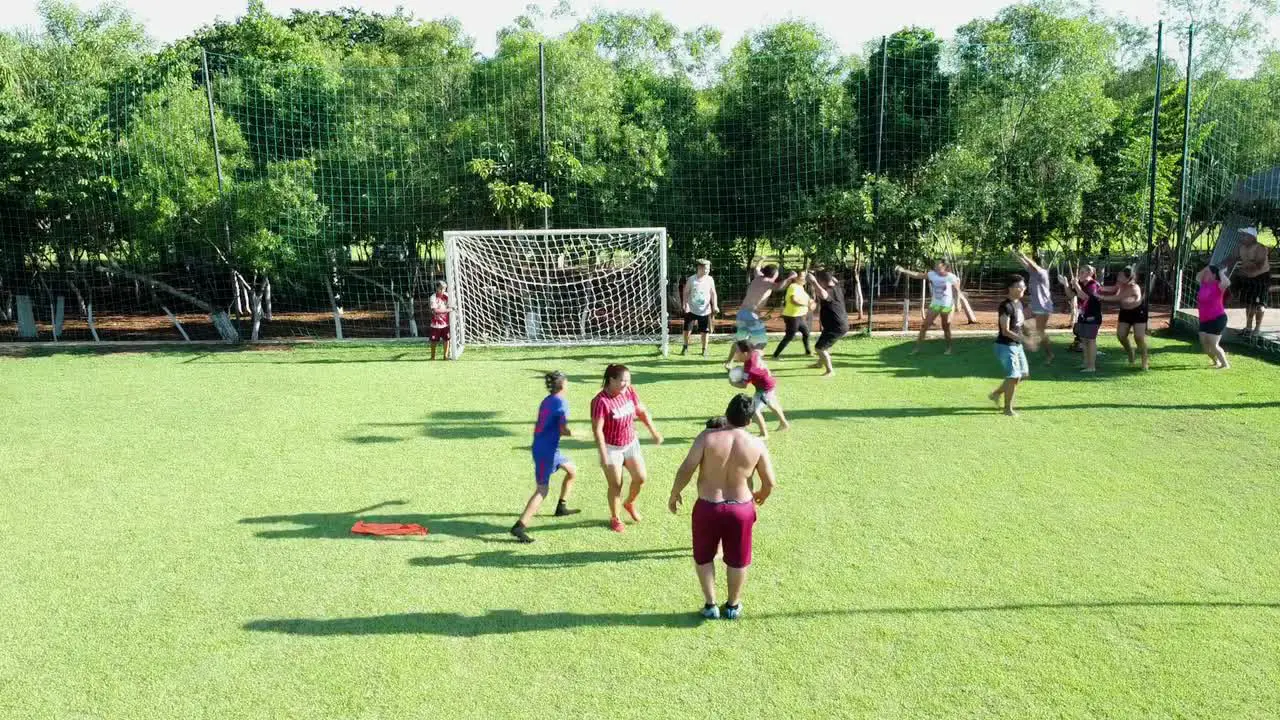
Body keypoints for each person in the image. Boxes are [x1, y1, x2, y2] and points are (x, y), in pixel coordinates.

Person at [668, 393, 777, 620]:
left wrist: (675, 492)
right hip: (741, 509)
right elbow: (770, 482)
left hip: (708, 507)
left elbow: (687, 468)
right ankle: (733, 606)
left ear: (727, 414)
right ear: (749, 421)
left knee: (704, 556)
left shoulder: (707, 438)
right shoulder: (756, 444)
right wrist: (761, 495)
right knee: (738, 559)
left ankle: (710, 605)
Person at [591, 364, 664, 533]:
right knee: (616, 484)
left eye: (628, 380)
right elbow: (597, 430)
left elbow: (642, 412)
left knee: (640, 478)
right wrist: (603, 454)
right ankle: (615, 518)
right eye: (623, 381)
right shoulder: (600, 401)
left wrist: (654, 432)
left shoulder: (629, 391)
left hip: (630, 443)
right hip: (611, 448)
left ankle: (629, 503)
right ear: (611, 380)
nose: (626, 384)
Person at [510, 371, 580, 543]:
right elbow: (563, 429)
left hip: (544, 448)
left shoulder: (547, 400)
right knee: (542, 490)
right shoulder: (562, 403)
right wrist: (576, 433)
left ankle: (561, 507)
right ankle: (519, 526)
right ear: (562, 385)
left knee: (572, 471)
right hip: (547, 452)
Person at [724, 261, 796, 368]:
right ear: (775, 275)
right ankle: (754, 364)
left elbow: (756, 269)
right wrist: (790, 277)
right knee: (761, 342)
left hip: (742, 313)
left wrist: (761, 260)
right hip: (751, 315)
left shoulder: (758, 277)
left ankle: (728, 363)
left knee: (740, 340)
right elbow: (780, 287)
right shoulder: (768, 283)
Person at [896, 260, 963, 354]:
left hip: (947, 305)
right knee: (924, 326)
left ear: (944, 266)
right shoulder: (932, 274)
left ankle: (949, 348)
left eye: (938, 264)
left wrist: (958, 302)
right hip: (935, 304)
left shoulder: (951, 277)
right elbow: (918, 275)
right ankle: (916, 349)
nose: (935, 266)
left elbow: (957, 290)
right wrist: (904, 270)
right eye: (935, 264)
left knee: (946, 326)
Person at [730, 340, 790, 437]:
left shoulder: (749, 369)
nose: (735, 354)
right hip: (770, 383)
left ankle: (764, 434)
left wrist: (732, 382)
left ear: (745, 353)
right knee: (772, 404)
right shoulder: (755, 353)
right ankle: (784, 424)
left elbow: (743, 385)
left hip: (764, 389)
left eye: (737, 352)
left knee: (754, 410)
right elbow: (761, 352)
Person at [988, 275, 1030, 416]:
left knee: (1022, 374)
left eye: (1024, 286)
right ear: (1011, 289)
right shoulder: (1005, 306)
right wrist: (1023, 339)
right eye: (1020, 286)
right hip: (1006, 345)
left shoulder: (1019, 303)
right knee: (1013, 377)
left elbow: (1019, 324)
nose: (1023, 288)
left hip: (1017, 345)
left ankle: (996, 393)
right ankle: (1007, 409)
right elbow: (1005, 330)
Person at [1099, 266, 1149, 370]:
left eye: (1121, 275)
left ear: (1128, 278)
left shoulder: (1134, 287)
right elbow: (1113, 289)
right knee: (1121, 336)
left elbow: (1118, 297)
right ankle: (1130, 351)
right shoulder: (1120, 284)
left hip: (1138, 312)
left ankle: (1145, 362)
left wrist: (1102, 297)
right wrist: (1099, 287)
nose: (1118, 276)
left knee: (1139, 337)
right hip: (1125, 312)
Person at [1012, 249, 1056, 364]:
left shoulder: (1042, 273)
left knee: (1041, 331)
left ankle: (1050, 354)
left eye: (1030, 264)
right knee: (1019, 321)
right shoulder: (1032, 272)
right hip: (1034, 305)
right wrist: (1015, 254)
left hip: (1043, 306)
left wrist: (1024, 255)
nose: (1028, 266)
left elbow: (1033, 265)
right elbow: (1025, 264)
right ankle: (1032, 342)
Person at [1230, 226, 1271, 336]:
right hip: (1247, 278)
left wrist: (1242, 271)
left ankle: (1257, 329)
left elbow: (1259, 265)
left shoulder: (1260, 248)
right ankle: (1248, 327)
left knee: (1259, 304)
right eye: (1242, 235)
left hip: (1261, 278)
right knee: (1249, 303)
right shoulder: (1241, 247)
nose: (1242, 237)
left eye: (1245, 235)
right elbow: (1233, 258)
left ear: (1252, 237)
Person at [808, 269, 848, 376]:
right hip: (835, 325)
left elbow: (822, 293)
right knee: (824, 345)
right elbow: (831, 278)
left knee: (819, 348)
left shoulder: (828, 291)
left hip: (836, 327)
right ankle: (819, 364)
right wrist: (817, 271)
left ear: (822, 281)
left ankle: (830, 371)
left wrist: (813, 281)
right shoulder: (837, 286)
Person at [1068, 265, 1103, 372]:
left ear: (1090, 273)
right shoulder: (1082, 284)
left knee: (1091, 340)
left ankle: (1091, 366)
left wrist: (1076, 285)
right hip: (1083, 316)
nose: (1079, 275)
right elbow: (1070, 295)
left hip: (1092, 317)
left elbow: (1085, 297)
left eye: (1082, 272)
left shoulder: (1093, 285)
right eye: (1080, 273)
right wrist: (1066, 284)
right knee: (1084, 340)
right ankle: (1085, 363)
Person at [681, 259, 719, 356]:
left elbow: (713, 293)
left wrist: (715, 305)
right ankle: (685, 347)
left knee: (705, 331)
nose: (708, 270)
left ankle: (704, 349)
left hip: (705, 310)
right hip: (691, 309)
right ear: (700, 268)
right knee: (687, 329)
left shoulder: (710, 279)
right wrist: (685, 304)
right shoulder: (691, 279)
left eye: (709, 268)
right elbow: (686, 293)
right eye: (706, 268)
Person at [1197, 265, 1231, 369]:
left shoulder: (1218, 285)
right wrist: (1207, 267)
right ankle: (1216, 361)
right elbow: (1198, 276)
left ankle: (1225, 365)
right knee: (1205, 346)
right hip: (1204, 320)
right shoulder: (1203, 284)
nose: (1204, 274)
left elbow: (1227, 283)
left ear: (1213, 275)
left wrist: (1221, 273)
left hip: (1217, 318)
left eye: (1207, 272)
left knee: (1213, 345)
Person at [772, 270, 812, 359]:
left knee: (806, 333)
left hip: (799, 316)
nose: (804, 278)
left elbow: (807, 299)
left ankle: (808, 352)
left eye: (805, 276)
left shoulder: (800, 287)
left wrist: (811, 302)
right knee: (789, 336)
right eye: (802, 276)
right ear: (796, 278)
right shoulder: (793, 286)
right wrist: (806, 304)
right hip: (792, 316)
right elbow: (793, 300)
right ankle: (775, 355)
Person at [429, 280, 452, 360]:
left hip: (445, 323)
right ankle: (432, 357)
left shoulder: (447, 296)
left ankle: (445, 356)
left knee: (447, 339)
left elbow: (451, 305)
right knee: (434, 340)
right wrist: (449, 310)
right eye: (441, 288)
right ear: (437, 288)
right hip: (435, 324)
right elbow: (435, 311)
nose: (443, 290)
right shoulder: (433, 297)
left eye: (444, 289)